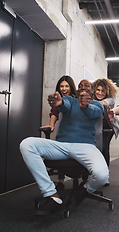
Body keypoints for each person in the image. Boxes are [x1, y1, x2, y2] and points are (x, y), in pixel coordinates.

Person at [20, 79, 109, 216]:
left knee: (102, 175)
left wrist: (85, 106)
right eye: (80, 86)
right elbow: (64, 105)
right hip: (62, 145)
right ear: (77, 90)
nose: (83, 88)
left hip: (85, 146)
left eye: (87, 86)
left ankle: (85, 189)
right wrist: (59, 103)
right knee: (27, 144)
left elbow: (94, 112)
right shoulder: (70, 100)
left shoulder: (97, 104)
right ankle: (51, 194)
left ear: (92, 90)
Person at [39, 75, 77, 191]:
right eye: (61, 86)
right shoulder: (58, 99)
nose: (64, 88)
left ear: (71, 87)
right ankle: (61, 182)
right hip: (62, 133)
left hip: (75, 133)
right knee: (59, 152)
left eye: (66, 86)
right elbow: (54, 112)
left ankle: (78, 180)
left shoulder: (76, 100)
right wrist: (51, 125)